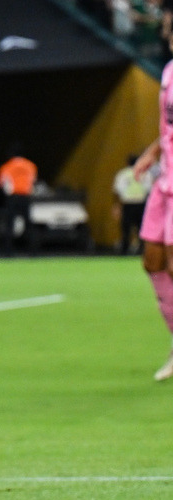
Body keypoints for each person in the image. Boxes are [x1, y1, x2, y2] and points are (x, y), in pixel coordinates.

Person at [133, 28, 173, 380]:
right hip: (165, 184)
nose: (162, 30)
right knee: (153, 262)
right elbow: (168, 128)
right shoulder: (168, 73)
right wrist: (153, 150)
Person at [0, 146, 37, 256]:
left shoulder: (6, 166)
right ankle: (33, 251)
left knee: (10, 224)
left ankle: (8, 252)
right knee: (28, 224)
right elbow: (33, 180)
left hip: (13, 197)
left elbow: (2, 183)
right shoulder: (30, 166)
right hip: (26, 196)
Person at [113, 154, 152, 255]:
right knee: (141, 227)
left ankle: (125, 248)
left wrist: (117, 206)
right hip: (141, 203)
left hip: (128, 203)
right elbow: (149, 190)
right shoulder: (145, 173)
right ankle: (142, 248)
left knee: (126, 227)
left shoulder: (123, 174)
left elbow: (117, 191)